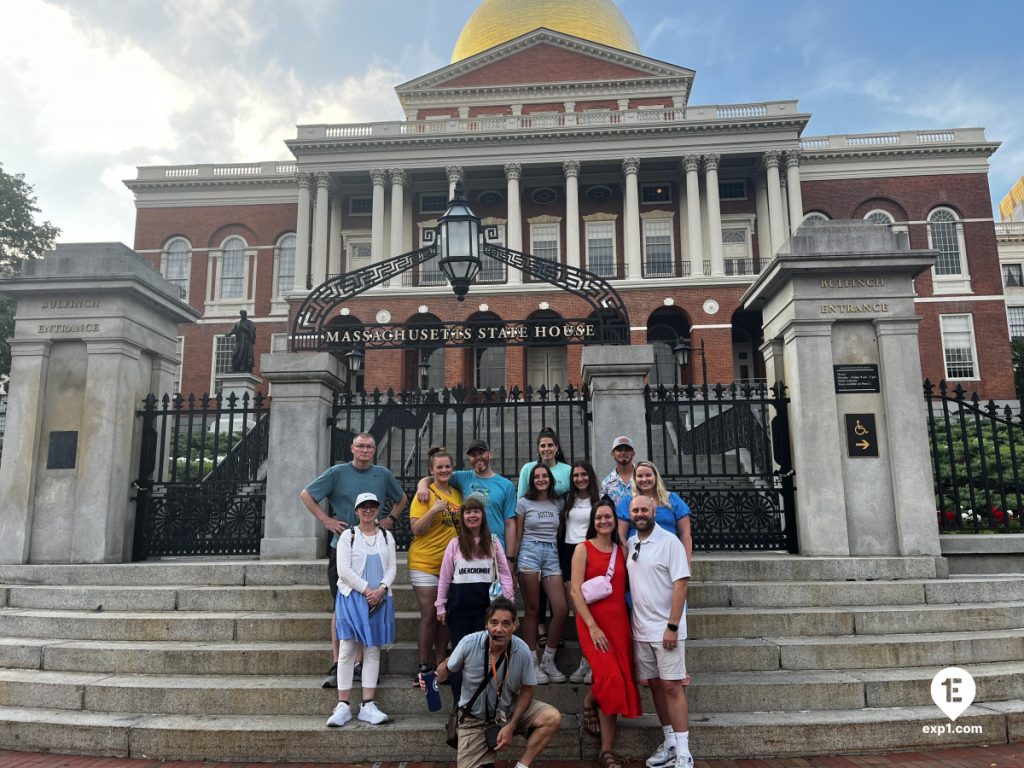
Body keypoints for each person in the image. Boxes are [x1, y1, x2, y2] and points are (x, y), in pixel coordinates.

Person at [300, 432, 407, 688]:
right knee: (342, 606)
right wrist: (326, 521)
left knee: (369, 605)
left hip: (373, 548)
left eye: (369, 446)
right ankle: (339, 662)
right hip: (344, 547)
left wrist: (391, 518)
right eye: (360, 445)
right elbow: (306, 495)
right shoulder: (337, 473)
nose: (365, 450)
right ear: (352, 448)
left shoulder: (382, 474)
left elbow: (402, 499)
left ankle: (361, 665)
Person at [425, 597, 562, 768]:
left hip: (506, 711)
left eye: (506, 624)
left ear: (515, 625)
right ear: (486, 625)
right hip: (474, 720)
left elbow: (527, 690)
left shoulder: (523, 651)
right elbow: (448, 666)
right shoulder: (469, 643)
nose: (499, 629)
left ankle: (522, 766)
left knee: (551, 717)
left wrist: (511, 726)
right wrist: (433, 678)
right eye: (494, 623)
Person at [570, 497, 642, 767]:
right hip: (592, 625)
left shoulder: (622, 550)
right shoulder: (583, 549)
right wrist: (592, 626)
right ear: (593, 522)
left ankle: (606, 750)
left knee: (620, 680)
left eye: (608, 517)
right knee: (610, 678)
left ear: (615, 521)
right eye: (599, 517)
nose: (603, 521)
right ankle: (590, 698)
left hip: (619, 625)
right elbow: (575, 592)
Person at [625, 495, 693, 768]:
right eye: (635, 510)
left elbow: (681, 585)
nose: (639, 513)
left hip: (667, 628)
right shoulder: (631, 543)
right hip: (641, 630)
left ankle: (685, 752)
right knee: (654, 685)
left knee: (672, 687)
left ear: (654, 511)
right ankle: (670, 743)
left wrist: (673, 626)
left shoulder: (670, 542)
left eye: (644, 509)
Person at [326, 492, 397, 728]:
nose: (368, 510)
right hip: (353, 598)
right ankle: (343, 705)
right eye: (363, 507)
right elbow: (343, 570)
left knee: (373, 649)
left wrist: (382, 589)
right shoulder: (349, 536)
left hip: (380, 599)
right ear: (356, 511)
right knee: (347, 650)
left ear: (378, 510)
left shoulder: (386, 536)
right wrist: (368, 590)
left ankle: (368, 704)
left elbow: (392, 568)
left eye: (372, 506)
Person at [436, 495, 516, 664]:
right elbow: (444, 578)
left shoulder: (493, 542)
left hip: (486, 610)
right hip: (459, 609)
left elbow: (505, 574)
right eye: (468, 512)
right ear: (462, 517)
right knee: (460, 654)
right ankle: (460, 690)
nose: (472, 515)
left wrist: (509, 601)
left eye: (476, 511)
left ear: (482, 516)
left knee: (485, 654)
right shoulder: (454, 544)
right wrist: (440, 605)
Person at [408, 446, 461, 678]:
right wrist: (433, 510)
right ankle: (424, 663)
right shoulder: (424, 495)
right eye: (439, 467)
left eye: (447, 466)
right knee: (430, 613)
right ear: (431, 470)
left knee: (446, 615)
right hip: (424, 562)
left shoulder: (457, 494)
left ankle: (441, 662)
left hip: (449, 564)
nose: (444, 470)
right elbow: (416, 529)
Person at [417, 438, 518, 560]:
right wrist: (423, 484)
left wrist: (510, 558)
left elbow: (510, 524)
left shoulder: (506, 485)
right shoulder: (462, 477)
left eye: (481, 453)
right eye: (473, 455)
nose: (477, 458)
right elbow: (437, 476)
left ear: (490, 454)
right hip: (469, 551)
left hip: (496, 549)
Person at [515, 464, 568, 684]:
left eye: (544, 475)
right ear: (531, 480)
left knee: (561, 609)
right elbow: (517, 535)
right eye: (537, 476)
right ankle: (532, 662)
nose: (541, 479)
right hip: (529, 552)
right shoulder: (523, 503)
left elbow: (562, 533)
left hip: (551, 554)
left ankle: (548, 659)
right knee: (533, 609)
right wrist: (513, 561)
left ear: (551, 479)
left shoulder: (559, 503)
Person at [561, 460, 601, 684]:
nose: (580, 479)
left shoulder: (600, 499)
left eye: (583, 475)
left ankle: (593, 661)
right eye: (576, 475)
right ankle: (586, 659)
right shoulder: (567, 499)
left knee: (593, 607)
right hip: (569, 552)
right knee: (578, 609)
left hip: (591, 550)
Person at [614, 460, 692, 567]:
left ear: (656, 477)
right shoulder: (627, 502)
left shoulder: (672, 499)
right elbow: (621, 535)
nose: (644, 479)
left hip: (669, 555)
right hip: (638, 558)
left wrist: (686, 563)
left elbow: (685, 534)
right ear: (635, 479)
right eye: (640, 476)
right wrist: (625, 562)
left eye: (648, 475)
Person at [517, 426, 572, 498]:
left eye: (550, 445)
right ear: (538, 449)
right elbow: (520, 499)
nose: (546, 449)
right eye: (543, 446)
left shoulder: (568, 470)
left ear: (556, 448)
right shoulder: (527, 469)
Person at [600, 435, 636, 504]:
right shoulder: (606, 483)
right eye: (619, 450)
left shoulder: (643, 478)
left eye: (627, 450)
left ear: (633, 453)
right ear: (613, 453)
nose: (623, 453)